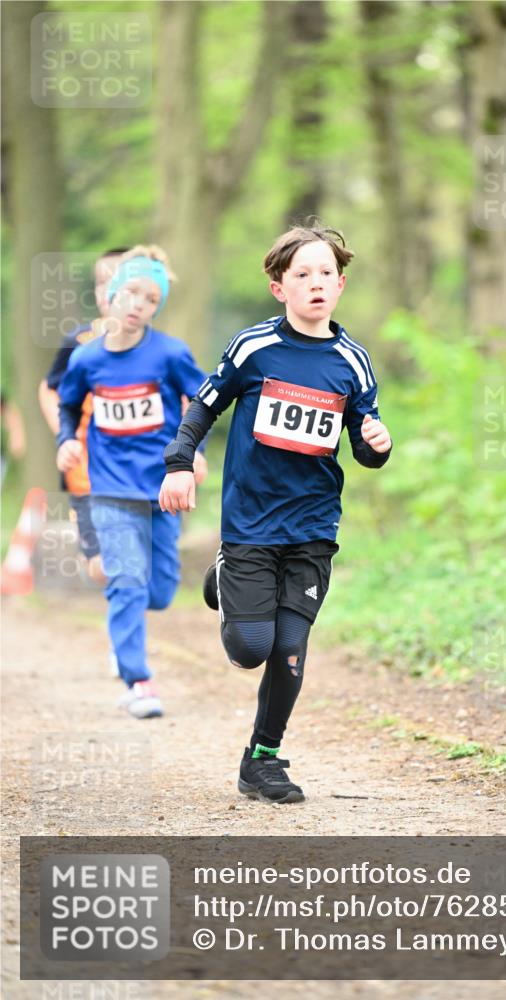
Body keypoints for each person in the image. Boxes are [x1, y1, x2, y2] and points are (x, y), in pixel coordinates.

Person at [159, 224, 392, 801]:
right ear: (278, 288)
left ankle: (262, 758)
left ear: (341, 285)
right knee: (250, 649)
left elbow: (363, 447)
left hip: (314, 525)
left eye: (325, 274)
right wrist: (179, 462)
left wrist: (376, 445)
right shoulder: (254, 348)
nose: (316, 283)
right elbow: (204, 406)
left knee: (290, 647)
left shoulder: (353, 362)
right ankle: (225, 575)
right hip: (252, 522)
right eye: (302, 274)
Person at [56, 245, 208, 718]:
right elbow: (66, 403)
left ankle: (130, 623)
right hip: (110, 488)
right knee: (126, 579)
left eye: (150, 298)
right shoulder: (85, 358)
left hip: (162, 487)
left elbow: (202, 400)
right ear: (111, 295)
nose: (139, 303)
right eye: (132, 292)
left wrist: (194, 454)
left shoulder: (169, 354)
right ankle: (138, 680)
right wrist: (67, 439)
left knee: (158, 590)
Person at [38, 248, 128, 583]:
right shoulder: (78, 340)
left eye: (118, 282)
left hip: (136, 471)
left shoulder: (156, 349)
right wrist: (64, 435)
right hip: (86, 470)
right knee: (101, 566)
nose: (109, 291)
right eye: (101, 283)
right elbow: (48, 388)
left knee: (137, 563)